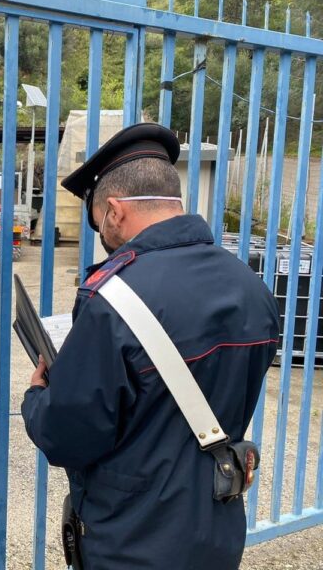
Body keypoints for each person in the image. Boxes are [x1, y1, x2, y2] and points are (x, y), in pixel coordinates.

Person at [21, 123, 279, 569]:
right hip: (216, 523)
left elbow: (68, 438)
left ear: (115, 211)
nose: (101, 233)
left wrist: (38, 395)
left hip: (134, 536)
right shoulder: (250, 286)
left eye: (98, 219)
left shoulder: (112, 298)